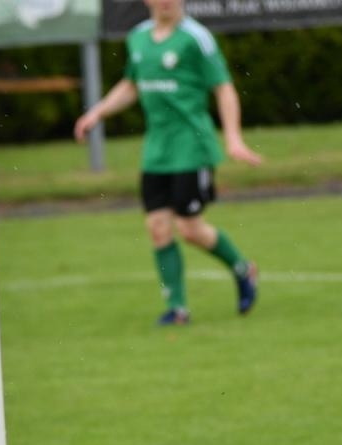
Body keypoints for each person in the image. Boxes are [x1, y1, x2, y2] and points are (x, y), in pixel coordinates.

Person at [73, 0, 262, 327]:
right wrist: (97, 113)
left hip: (192, 148)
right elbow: (131, 85)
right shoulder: (139, 37)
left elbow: (224, 89)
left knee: (189, 229)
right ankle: (178, 309)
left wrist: (233, 138)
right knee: (157, 228)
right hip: (156, 152)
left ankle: (242, 269)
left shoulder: (196, 38)